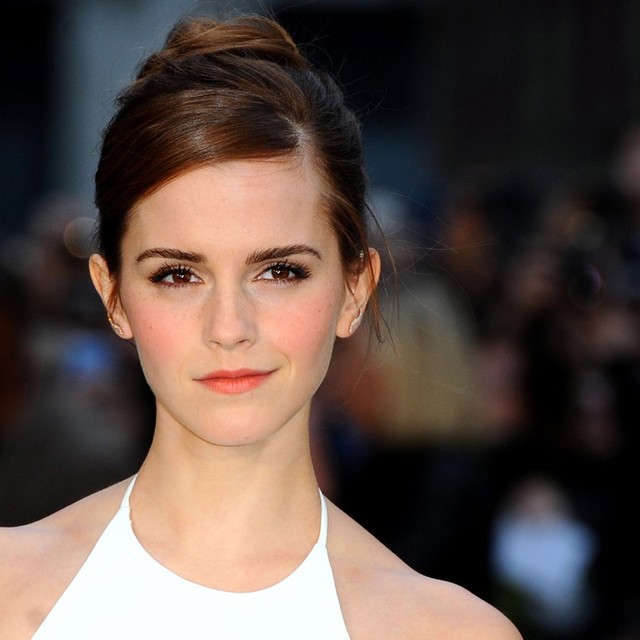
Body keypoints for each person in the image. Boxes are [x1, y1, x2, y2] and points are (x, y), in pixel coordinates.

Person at [0, 13, 522, 639]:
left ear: (355, 289)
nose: (229, 327)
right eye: (178, 275)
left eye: (279, 272)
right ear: (112, 296)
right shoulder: (10, 589)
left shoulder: (448, 630)